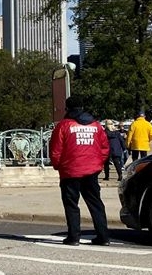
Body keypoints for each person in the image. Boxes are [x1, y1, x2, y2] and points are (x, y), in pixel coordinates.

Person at [49, 96, 110, 246]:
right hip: (91, 171)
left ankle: (74, 237)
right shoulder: (96, 125)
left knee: (71, 205)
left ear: (67, 108)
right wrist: (98, 164)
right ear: (82, 107)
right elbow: (104, 148)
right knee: (96, 204)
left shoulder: (63, 125)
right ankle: (103, 237)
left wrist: (58, 166)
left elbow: (55, 150)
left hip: (70, 171)